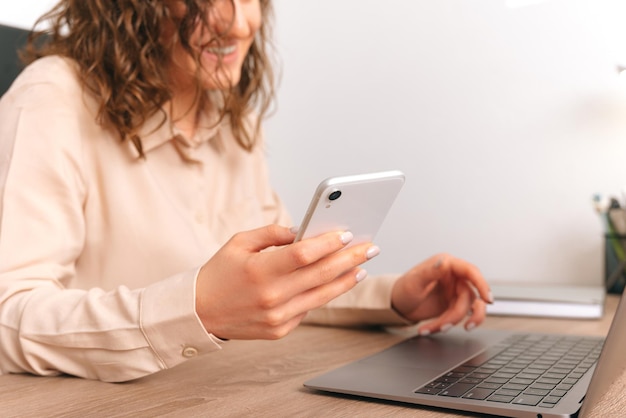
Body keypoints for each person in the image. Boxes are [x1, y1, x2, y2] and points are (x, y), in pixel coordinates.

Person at [0, 0, 492, 383]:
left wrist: (396, 299)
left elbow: (269, 288)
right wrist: (196, 310)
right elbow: (7, 317)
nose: (238, 25)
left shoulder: (233, 119)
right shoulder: (51, 100)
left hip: (215, 393)